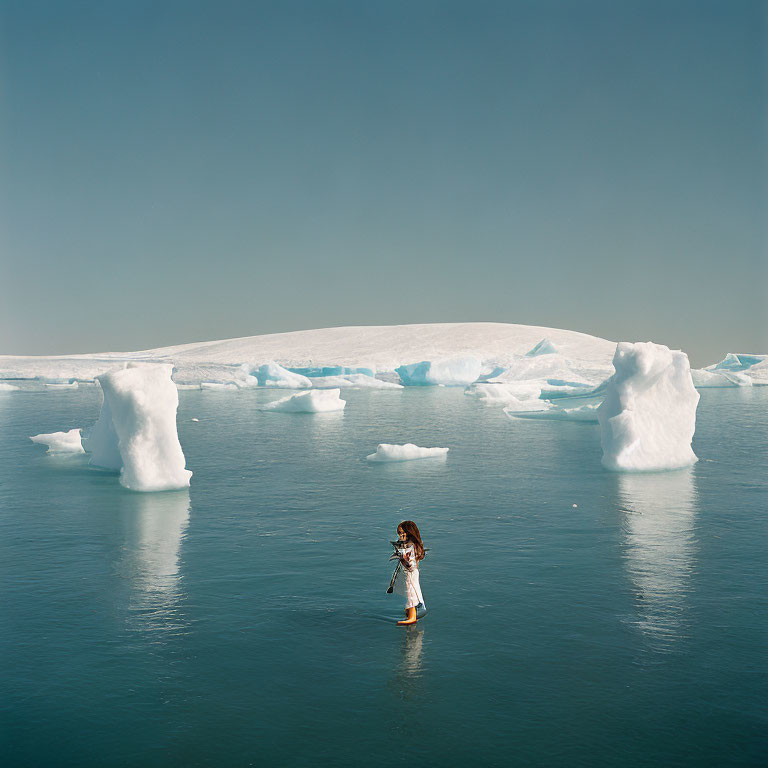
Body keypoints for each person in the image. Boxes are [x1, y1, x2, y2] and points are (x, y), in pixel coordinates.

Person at [393, 520, 426, 626]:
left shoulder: (411, 546)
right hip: (409, 572)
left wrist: (403, 559)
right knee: (409, 591)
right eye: (399, 533)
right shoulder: (410, 545)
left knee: (411, 592)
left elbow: (411, 565)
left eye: (402, 533)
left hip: (410, 573)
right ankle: (409, 611)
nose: (400, 535)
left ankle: (412, 617)